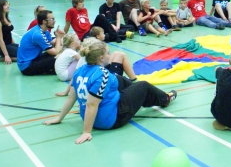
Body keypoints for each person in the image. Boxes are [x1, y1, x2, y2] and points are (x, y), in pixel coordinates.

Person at [43, 39, 177, 144]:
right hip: (109, 120)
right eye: (108, 53)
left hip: (91, 116)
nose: (110, 55)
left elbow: (71, 98)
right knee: (143, 86)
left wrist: (59, 118)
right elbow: (91, 105)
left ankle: (145, 98)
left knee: (119, 79)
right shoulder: (102, 75)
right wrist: (86, 131)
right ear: (101, 58)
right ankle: (165, 99)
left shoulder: (79, 71)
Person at [17, 10, 65, 76]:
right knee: (58, 56)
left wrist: (58, 37)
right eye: (52, 19)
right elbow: (56, 52)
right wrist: (59, 38)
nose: (54, 21)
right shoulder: (38, 34)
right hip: (27, 68)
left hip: (33, 60)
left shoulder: (43, 30)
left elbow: (50, 43)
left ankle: (51, 69)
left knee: (60, 51)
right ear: (44, 21)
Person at [0, 0, 18, 64]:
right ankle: (2, 57)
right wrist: (6, 55)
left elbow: (8, 34)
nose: (7, 6)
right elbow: (0, 39)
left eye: (7, 4)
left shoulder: (7, 19)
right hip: (0, 47)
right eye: (5, 5)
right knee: (23, 55)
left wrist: (14, 45)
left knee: (24, 50)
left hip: (9, 44)